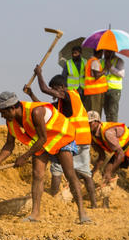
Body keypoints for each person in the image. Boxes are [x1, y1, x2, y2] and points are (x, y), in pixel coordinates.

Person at [0, 91, 91, 224]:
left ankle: (82, 213)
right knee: (37, 174)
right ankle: (35, 214)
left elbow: (43, 138)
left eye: (3, 112)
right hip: (41, 142)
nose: (1, 115)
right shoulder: (11, 121)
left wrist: (24, 157)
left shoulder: (36, 112)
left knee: (69, 174)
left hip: (60, 136)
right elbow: (9, 145)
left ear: (12, 108)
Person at [28, 66, 98, 208]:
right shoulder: (64, 102)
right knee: (85, 172)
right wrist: (30, 94)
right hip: (83, 139)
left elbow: (45, 90)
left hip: (73, 140)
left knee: (57, 170)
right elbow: (43, 107)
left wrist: (39, 74)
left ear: (61, 87)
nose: (52, 92)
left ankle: (54, 197)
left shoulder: (69, 95)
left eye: (54, 89)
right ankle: (94, 204)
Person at [81, 49, 108, 114]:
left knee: (90, 113)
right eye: (102, 52)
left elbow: (90, 74)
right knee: (95, 114)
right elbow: (96, 76)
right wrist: (105, 69)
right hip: (95, 92)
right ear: (100, 52)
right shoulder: (95, 62)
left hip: (91, 91)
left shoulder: (90, 61)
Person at [102, 51, 125, 121]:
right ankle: (109, 128)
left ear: (112, 52)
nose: (105, 53)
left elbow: (122, 74)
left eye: (107, 52)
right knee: (107, 112)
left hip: (114, 90)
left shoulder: (119, 61)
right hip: (104, 89)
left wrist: (111, 67)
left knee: (113, 111)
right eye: (104, 52)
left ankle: (113, 128)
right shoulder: (102, 61)